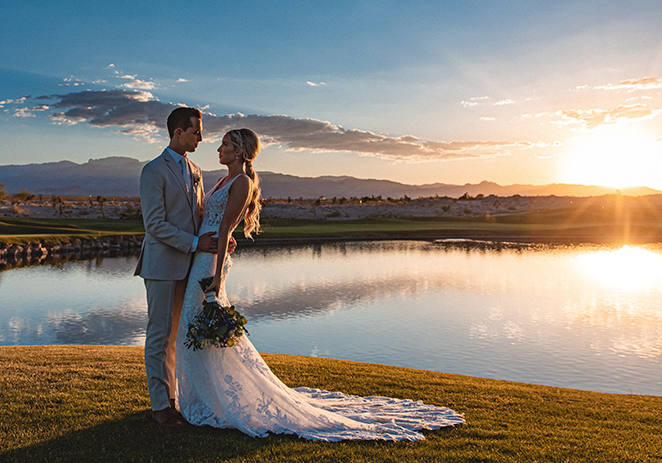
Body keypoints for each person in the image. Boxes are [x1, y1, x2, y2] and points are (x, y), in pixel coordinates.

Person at [174, 128, 465, 441]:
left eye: (226, 144)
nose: (219, 148)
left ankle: (212, 400)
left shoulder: (241, 182)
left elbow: (226, 229)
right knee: (194, 323)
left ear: (240, 151)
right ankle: (203, 396)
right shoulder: (220, 179)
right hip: (202, 255)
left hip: (210, 261)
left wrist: (217, 275)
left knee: (198, 321)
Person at [135, 106, 222, 427]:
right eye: (196, 131)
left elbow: (198, 217)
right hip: (160, 266)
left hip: (190, 267)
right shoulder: (153, 171)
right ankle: (160, 408)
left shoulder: (195, 169)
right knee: (159, 336)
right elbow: (154, 224)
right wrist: (196, 243)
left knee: (179, 336)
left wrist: (217, 240)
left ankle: (175, 399)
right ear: (178, 133)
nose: (201, 137)